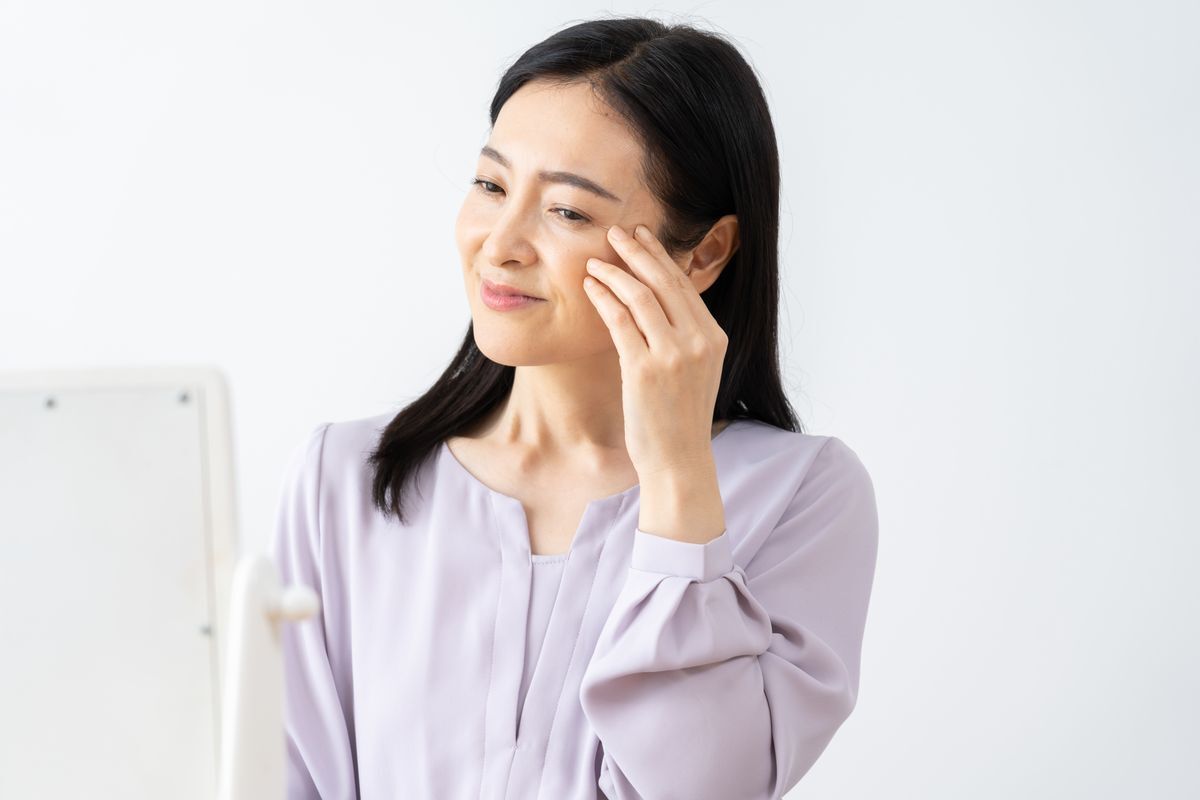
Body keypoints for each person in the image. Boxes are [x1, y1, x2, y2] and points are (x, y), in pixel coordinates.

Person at [273, 14, 878, 800]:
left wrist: (676, 478)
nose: (501, 244)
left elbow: (708, 787)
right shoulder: (341, 481)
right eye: (491, 185)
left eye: (567, 211)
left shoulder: (802, 495)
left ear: (703, 254)